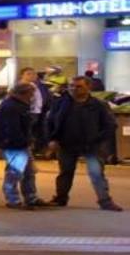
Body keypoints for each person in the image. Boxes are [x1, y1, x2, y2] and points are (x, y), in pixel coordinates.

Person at [48, 76, 122, 210]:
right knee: (65, 172)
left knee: (96, 173)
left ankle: (105, 201)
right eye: (71, 86)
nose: (73, 89)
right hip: (66, 144)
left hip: (91, 145)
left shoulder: (98, 105)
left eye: (78, 86)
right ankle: (60, 198)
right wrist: (52, 139)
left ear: (88, 87)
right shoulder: (61, 103)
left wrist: (98, 139)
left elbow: (110, 125)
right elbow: (50, 122)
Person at [0, 80, 45, 209]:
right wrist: (23, 142)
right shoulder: (12, 106)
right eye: (31, 93)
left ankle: (30, 197)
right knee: (15, 172)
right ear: (24, 93)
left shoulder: (18, 104)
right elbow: (13, 128)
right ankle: (13, 199)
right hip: (14, 144)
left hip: (19, 143)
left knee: (28, 172)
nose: (32, 97)